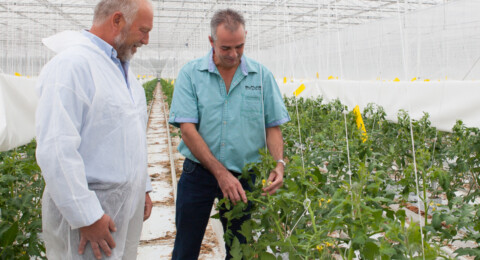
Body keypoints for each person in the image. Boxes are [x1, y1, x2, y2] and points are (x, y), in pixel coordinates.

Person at [35, 0, 154, 259]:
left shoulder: (124, 72)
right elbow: (56, 148)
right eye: (144, 30)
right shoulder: (72, 65)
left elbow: (133, 138)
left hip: (123, 210)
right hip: (90, 217)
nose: (146, 40)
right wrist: (86, 217)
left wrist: (143, 187)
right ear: (117, 20)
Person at [168, 8, 290, 260]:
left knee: (240, 250)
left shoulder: (261, 75)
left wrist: (279, 163)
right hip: (198, 173)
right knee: (185, 248)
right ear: (211, 41)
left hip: (244, 176)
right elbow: (188, 131)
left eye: (239, 46)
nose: (234, 54)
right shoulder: (191, 74)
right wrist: (220, 173)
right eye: (226, 48)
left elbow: (272, 127)